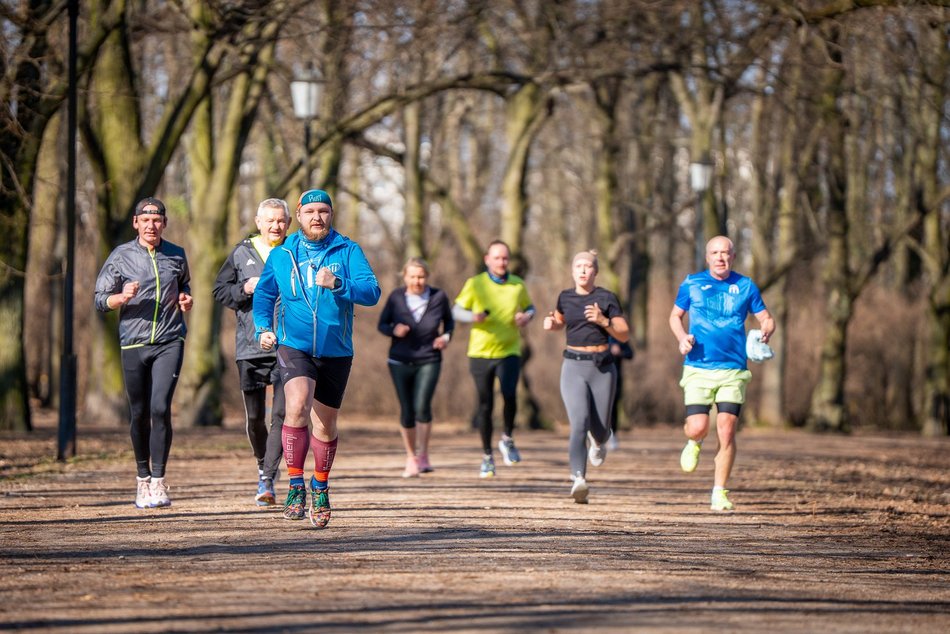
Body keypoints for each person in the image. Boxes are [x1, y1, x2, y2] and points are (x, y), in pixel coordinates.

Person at [252, 188, 380, 528]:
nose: (317, 217)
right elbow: (264, 293)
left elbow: (372, 291)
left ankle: (319, 485)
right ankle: (295, 483)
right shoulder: (282, 254)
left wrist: (339, 283)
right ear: (299, 215)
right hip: (294, 345)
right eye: (310, 212)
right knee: (296, 405)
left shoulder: (348, 250)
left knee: (325, 423)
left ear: (331, 214)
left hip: (336, 350)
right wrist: (262, 327)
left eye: (323, 211)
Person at [94, 197, 193, 509]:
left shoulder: (176, 254)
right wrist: (121, 297)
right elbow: (99, 299)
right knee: (139, 412)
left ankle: (159, 481)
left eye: (157, 220)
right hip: (133, 343)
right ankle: (142, 479)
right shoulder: (121, 256)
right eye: (145, 220)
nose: (152, 225)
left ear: (164, 223)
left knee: (160, 407)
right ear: (136, 222)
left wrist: (186, 301)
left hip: (169, 340)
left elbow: (184, 287)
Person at [669, 235, 775, 512]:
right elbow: (674, 316)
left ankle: (719, 491)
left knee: (727, 431)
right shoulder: (692, 283)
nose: (720, 257)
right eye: (715, 252)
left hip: (733, 369)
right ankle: (694, 440)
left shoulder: (745, 285)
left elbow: (766, 317)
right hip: (698, 367)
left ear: (733, 256)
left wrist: (766, 330)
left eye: (725, 252)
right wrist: (682, 338)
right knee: (698, 426)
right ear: (707, 257)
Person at [213, 198, 290, 507]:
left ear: (288, 223)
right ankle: (262, 463)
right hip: (251, 345)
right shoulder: (241, 252)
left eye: (280, 220)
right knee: (256, 418)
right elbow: (220, 291)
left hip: (290, 344)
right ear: (259, 223)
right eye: (269, 220)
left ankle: (268, 478)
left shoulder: (296, 251)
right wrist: (244, 289)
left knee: (282, 415)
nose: (275, 225)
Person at [543, 250, 630, 503]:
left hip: (601, 367)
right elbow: (559, 320)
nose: (583, 270)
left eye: (588, 266)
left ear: (595, 271)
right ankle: (578, 478)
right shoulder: (565, 297)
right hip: (572, 365)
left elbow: (624, 334)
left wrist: (604, 321)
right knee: (579, 422)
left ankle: (600, 441)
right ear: (572, 271)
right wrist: (552, 325)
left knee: (601, 429)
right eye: (578, 266)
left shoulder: (606, 297)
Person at [452, 240, 535, 478]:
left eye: (505, 258)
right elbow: (455, 310)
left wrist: (525, 317)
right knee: (485, 404)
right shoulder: (475, 284)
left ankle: (507, 438)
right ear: (487, 259)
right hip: (480, 352)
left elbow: (531, 308)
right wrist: (473, 316)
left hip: (509, 350)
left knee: (510, 394)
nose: (502, 262)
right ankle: (487, 457)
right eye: (497, 258)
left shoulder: (517, 284)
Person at [377, 257, 454, 477]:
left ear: (427, 277)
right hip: (399, 360)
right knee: (407, 409)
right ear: (405, 277)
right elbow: (382, 324)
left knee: (422, 406)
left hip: (429, 358)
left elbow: (449, 323)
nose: (417, 281)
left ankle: (424, 454)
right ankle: (411, 457)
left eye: (421, 276)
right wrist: (394, 329)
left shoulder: (439, 297)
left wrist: (446, 338)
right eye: (412, 276)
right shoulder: (396, 298)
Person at [607, 336, 634, 451]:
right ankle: (598, 436)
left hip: (616, 378)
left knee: (613, 407)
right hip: (599, 376)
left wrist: (619, 352)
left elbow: (630, 354)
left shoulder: (619, 336)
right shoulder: (597, 333)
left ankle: (613, 434)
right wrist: (608, 349)